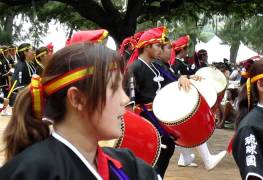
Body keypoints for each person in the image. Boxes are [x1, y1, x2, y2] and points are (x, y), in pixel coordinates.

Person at [0, 42, 158, 180]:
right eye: (114, 87)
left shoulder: (128, 164)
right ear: (77, 99)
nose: (125, 99)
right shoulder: (30, 173)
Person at [126, 27, 179, 178]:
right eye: (157, 45)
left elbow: (172, 82)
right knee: (158, 149)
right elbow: (131, 99)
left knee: (168, 146)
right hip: (145, 116)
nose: (160, 49)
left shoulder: (156, 66)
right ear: (147, 46)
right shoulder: (135, 67)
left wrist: (182, 78)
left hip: (160, 115)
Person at [171, 36, 226, 170]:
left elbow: (192, 74)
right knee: (195, 128)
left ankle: (185, 158)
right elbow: (177, 79)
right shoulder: (177, 64)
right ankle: (207, 160)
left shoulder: (178, 64)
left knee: (184, 131)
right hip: (182, 101)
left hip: (180, 102)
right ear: (182, 50)